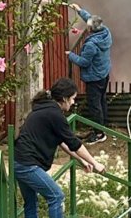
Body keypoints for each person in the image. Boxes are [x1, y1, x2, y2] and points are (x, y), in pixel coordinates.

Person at [14, 78, 106, 218]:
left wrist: (81, 160)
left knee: (31, 202)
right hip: (28, 164)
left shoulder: (44, 108)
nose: (74, 102)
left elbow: (62, 141)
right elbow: (75, 143)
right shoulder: (54, 114)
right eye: (73, 99)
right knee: (56, 196)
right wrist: (95, 163)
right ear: (64, 99)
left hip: (19, 161)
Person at [66, 3, 113, 144]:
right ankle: (103, 126)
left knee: (95, 105)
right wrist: (79, 10)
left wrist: (70, 55)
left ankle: (99, 134)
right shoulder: (106, 32)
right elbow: (91, 19)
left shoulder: (92, 45)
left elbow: (84, 62)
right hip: (104, 74)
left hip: (94, 78)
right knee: (101, 101)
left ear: (90, 28)